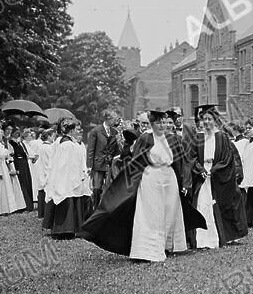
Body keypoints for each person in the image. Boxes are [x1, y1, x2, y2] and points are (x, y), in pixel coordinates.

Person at [78, 110, 205, 261]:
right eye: (158, 122)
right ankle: (148, 248)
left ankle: (167, 245)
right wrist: (131, 183)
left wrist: (183, 182)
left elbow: (179, 161)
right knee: (151, 212)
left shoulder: (172, 138)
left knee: (170, 210)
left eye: (164, 122)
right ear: (152, 123)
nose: (162, 125)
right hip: (150, 177)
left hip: (169, 178)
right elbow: (135, 161)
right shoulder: (145, 138)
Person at [186, 106, 248, 247]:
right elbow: (192, 158)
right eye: (204, 119)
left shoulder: (222, 137)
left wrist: (214, 170)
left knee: (218, 205)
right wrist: (200, 169)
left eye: (209, 119)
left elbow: (227, 159)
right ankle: (202, 239)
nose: (207, 122)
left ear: (215, 120)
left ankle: (218, 236)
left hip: (216, 176)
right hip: (202, 177)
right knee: (202, 205)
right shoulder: (198, 138)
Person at [42, 118, 93, 239]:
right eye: (76, 129)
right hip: (68, 177)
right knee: (69, 197)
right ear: (71, 130)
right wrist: (79, 174)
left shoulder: (62, 142)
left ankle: (71, 227)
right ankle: (67, 228)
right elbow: (69, 163)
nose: (78, 131)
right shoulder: (68, 144)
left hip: (65, 175)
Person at [85, 109, 120, 208]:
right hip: (98, 163)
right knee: (97, 188)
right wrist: (89, 165)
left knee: (108, 187)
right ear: (108, 119)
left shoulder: (115, 131)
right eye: (114, 119)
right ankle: (94, 208)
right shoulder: (96, 131)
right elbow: (91, 149)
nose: (115, 121)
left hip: (109, 164)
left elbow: (116, 149)